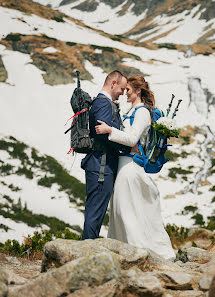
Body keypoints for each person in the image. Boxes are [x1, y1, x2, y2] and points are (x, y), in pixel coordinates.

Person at [95, 75, 175, 260]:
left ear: (138, 91)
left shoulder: (142, 112)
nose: (124, 93)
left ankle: (137, 253)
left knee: (127, 212)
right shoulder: (129, 110)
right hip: (122, 165)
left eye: (128, 90)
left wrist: (110, 131)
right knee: (120, 212)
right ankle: (123, 252)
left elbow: (132, 139)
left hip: (131, 166)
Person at [81, 70, 128, 240]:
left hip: (102, 163)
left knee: (97, 210)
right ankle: (87, 251)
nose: (122, 93)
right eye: (121, 89)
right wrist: (127, 145)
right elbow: (103, 133)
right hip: (101, 165)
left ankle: (88, 249)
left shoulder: (103, 103)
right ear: (113, 83)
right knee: (95, 211)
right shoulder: (103, 103)